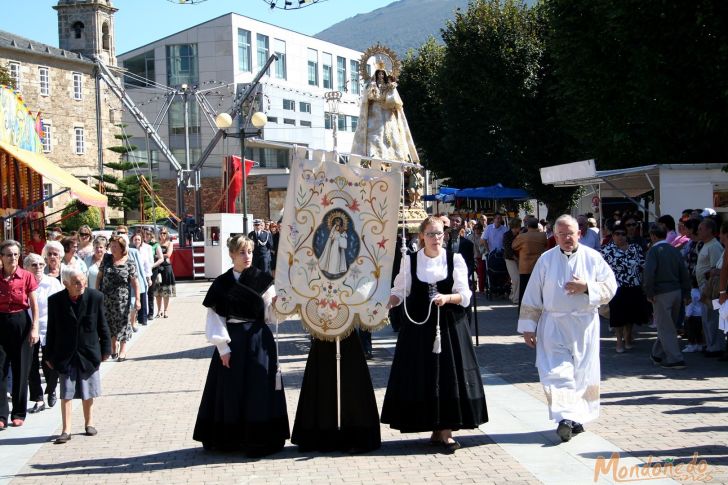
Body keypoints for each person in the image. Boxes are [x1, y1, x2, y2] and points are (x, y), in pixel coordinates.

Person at [382, 216, 488, 452]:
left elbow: (466, 295)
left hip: (449, 326)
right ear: (422, 236)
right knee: (425, 375)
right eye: (430, 234)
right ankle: (434, 427)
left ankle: (447, 430)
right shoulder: (410, 261)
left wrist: (447, 298)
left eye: (439, 234)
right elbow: (400, 290)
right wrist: (387, 304)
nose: (435, 238)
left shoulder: (455, 259)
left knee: (449, 375)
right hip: (419, 328)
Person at [517, 215, 617, 443]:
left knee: (583, 373)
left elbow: (610, 287)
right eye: (561, 234)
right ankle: (565, 418)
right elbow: (533, 294)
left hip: (584, 325)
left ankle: (576, 419)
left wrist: (587, 288)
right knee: (557, 372)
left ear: (579, 233)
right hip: (553, 324)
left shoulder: (593, 258)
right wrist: (528, 327)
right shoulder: (546, 260)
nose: (566, 238)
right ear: (555, 236)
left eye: (570, 233)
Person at [193, 235, 289, 455]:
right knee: (232, 389)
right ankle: (231, 439)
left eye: (250, 252)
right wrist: (223, 348)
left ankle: (259, 438)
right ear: (232, 255)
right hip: (233, 341)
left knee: (258, 388)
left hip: (258, 340)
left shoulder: (262, 280)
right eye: (242, 252)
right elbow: (215, 317)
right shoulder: (222, 283)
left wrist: (277, 306)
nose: (247, 257)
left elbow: (271, 317)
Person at [45, 267, 110, 443]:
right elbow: (51, 330)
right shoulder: (55, 301)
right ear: (65, 283)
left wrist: (106, 349)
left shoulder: (95, 297)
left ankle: (89, 423)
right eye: (75, 282)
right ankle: (66, 430)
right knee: (66, 391)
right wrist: (48, 355)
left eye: (83, 280)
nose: (80, 284)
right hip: (65, 353)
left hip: (88, 352)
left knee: (88, 390)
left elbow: (102, 325)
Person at [0, 240, 39, 429]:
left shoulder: (26, 276)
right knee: (0, 369)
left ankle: (18, 412)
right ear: (1, 257)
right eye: (8, 254)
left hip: (21, 323)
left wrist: (35, 328)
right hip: (0, 322)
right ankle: (1, 414)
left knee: (20, 369)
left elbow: (34, 304)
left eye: (15, 254)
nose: (12, 258)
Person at [642, 223, 691, 369]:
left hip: (661, 293)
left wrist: (649, 292)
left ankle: (675, 359)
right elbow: (684, 272)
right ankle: (656, 354)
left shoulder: (653, 251)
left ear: (653, 235)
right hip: (677, 291)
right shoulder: (674, 250)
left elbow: (649, 274)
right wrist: (686, 292)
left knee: (665, 327)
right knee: (669, 326)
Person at [351, 66, 419, 163]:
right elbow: (368, 97)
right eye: (379, 73)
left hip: (387, 111)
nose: (381, 75)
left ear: (385, 75)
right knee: (374, 134)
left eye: (382, 74)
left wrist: (390, 90)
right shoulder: (372, 84)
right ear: (376, 75)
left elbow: (395, 101)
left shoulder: (389, 85)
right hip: (375, 111)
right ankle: (373, 155)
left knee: (391, 132)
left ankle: (394, 157)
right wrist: (372, 88)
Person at [24, 253, 63, 414]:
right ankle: (37, 398)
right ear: (26, 267)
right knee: (31, 364)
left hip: (49, 327)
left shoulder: (53, 283)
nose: (38, 267)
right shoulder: (23, 283)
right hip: (29, 328)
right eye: (34, 265)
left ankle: (51, 388)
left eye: (41, 264)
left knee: (50, 362)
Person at [601, 222, 648, 353]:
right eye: (617, 234)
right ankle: (619, 341)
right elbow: (600, 270)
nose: (620, 237)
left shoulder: (635, 248)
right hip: (616, 288)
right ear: (613, 235)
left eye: (623, 234)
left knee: (631, 316)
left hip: (634, 286)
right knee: (617, 316)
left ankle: (628, 338)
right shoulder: (606, 250)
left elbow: (643, 265)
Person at [96, 235, 140, 362]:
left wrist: (137, 299)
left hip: (122, 300)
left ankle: (123, 350)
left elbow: (135, 283)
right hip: (106, 298)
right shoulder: (107, 259)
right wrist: (96, 292)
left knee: (123, 323)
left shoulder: (129, 262)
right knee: (109, 322)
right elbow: (99, 277)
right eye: (111, 246)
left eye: (116, 246)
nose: (113, 248)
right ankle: (113, 346)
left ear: (122, 248)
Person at [695, 218, 724, 356]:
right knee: (706, 318)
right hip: (704, 287)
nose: (698, 231)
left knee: (712, 318)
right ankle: (710, 344)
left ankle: (715, 347)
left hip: (711, 289)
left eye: (701, 229)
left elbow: (715, 270)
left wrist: (707, 290)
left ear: (710, 230)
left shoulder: (714, 246)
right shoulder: (705, 244)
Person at [512, 217, 548, 306]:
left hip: (525, 268)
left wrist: (519, 235)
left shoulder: (522, 236)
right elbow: (545, 246)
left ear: (527, 226)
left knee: (524, 292)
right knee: (538, 292)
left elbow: (514, 246)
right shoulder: (543, 235)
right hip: (539, 267)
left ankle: (522, 311)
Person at [154, 228, 176, 318]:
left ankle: (165, 310)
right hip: (157, 267)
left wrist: (157, 255)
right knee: (157, 291)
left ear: (167, 234)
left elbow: (168, 254)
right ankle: (159, 311)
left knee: (166, 290)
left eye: (164, 233)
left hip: (166, 268)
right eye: (161, 233)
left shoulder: (170, 243)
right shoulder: (156, 243)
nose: (162, 234)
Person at [503, 218, 521, 304]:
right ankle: (515, 299)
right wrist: (515, 257)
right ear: (516, 226)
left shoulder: (520, 234)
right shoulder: (507, 235)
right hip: (510, 259)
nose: (520, 227)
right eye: (519, 226)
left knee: (517, 279)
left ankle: (513, 296)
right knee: (516, 278)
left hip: (519, 258)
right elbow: (507, 249)